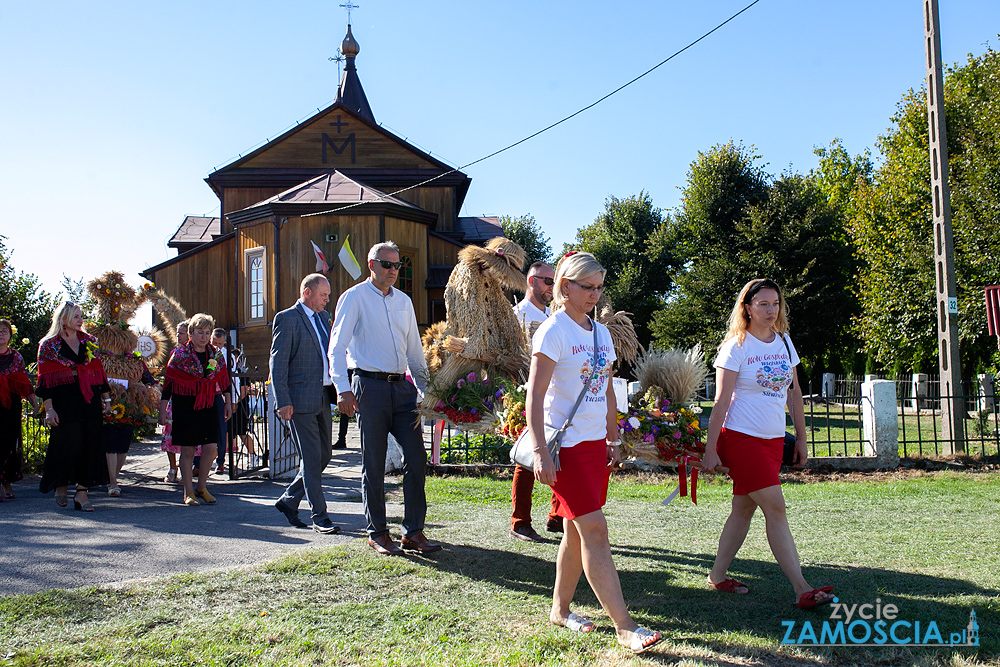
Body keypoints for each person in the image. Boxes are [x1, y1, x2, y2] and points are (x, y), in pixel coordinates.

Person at [529, 252, 662, 654]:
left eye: (600, 287)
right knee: (595, 530)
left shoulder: (600, 333)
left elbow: (604, 388)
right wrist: (540, 452)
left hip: (593, 447)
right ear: (565, 286)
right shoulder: (552, 331)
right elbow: (535, 399)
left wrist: (614, 437)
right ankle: (625, 626)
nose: (595, 294)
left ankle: (560, 610)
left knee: (574, 530)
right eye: (588, 287)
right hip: (563, 448)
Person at [700, 278, 834, 609]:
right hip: (742, 439)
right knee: (775, 506)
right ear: (747, 307)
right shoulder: (736, 347)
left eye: (775, 304)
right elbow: (720, 401)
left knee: (743, 509)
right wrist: (710, 448)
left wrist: (801, 437)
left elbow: (794, 393)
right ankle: (801, 587)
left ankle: (717, 576)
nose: (771, 310)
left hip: (773, 440)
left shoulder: (785, 343)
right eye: (763, 304)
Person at [330, 241, 440, 556]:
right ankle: (377, 532)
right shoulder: (353, 298)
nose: (393, 270)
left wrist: (426, 390)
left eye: (397, 265)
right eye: (386, 264)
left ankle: (413, 533)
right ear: (371, 264)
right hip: (369, 387)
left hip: (402, 390)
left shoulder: (404, 301)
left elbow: (415, 353)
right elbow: (337, 347)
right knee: (373, 463)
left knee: (416, 458)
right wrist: (343, 388)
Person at [270, 274, 340, 534]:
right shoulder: (287, 319)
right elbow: (277, 364)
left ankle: (289, 500)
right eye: (323, 295)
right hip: (298, 401)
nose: (327, 300)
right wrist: (283, 400)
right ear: (307, 292)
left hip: (323, 396)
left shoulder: (324, 318)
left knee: (324, 455)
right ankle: (320, 516)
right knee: (311, 459)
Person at [36, 302, 112, 512]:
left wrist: (106, 400)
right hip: (64, 400)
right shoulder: (49, 345)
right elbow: (45, 382)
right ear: (63, 319)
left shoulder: (89, 341)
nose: (81, 320)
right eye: (76, 316)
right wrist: (49, 409)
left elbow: (99, 373)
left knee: (90, 442)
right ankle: (61, 483)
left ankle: (82, 493)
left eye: (81, 316)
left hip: (88, 399)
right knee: (67, 442)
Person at [509, 261, 563, 542]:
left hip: (555, 393)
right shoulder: (516, 316)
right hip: (527, 391)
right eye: (546, 282)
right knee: (528, 457)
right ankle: (520, 522)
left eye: (554, 282)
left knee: (561, 452)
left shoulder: (555, 316)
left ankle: (557, 516)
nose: (551, 288)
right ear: (531, 281)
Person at [158, 314, 231, 506]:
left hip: (208, 404)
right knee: (188, 451)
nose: (204, 336)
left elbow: (224, 381)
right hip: (185, 406)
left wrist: (228, 403)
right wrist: (162, 409)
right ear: (191, 333)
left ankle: (202, 487)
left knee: (211, 449)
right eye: (200, 332)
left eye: (207, 333)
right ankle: (188, 492)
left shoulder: (216, 354)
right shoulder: (180, 355)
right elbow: (168, 384)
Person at [0, 319, 38, 500]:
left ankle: (6, 482)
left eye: (5, 331)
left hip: (11, 407)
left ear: (10, 335)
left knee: (9, 444)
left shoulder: (16, 357)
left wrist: (35, 403)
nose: (1, 334)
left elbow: (24, 383)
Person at [161, 322, 192, 483]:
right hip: (175, 398)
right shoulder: (174, 353)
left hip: (191, 398)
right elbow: (169, 380)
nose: (178, 336)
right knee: (170, 434)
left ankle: (186, 469)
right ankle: (172, 468)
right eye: (177, 332)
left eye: (181, 333)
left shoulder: (197, 353)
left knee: (190, 438)